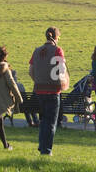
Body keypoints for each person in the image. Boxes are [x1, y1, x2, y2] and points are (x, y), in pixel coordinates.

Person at [28, 26, 68, 155]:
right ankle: (47, 149)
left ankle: (41, 145)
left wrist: (38, 80)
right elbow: (61, 71)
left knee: (43, 120)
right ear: (56, 37)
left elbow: (31, 71)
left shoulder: (36, 51)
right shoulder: (57, 50)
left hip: (39, 90)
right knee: (51, 122)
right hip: (53, 91)